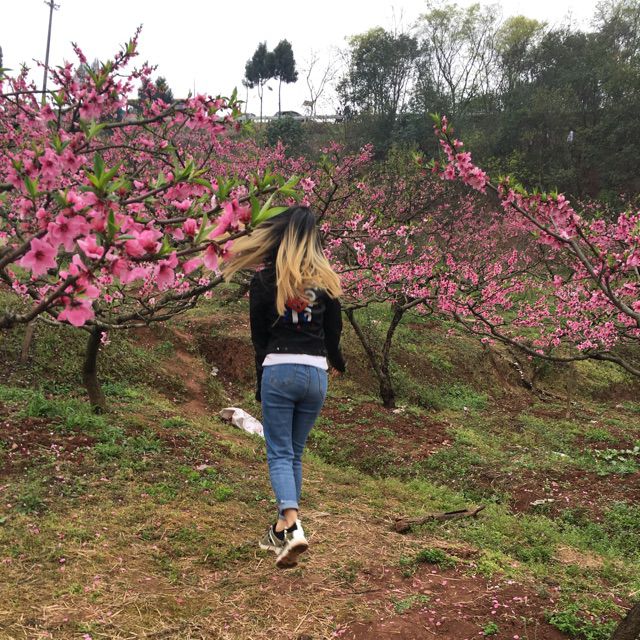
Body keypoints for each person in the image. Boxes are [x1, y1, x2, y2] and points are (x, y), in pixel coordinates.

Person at [222, 206, 346, 568]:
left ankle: (293, 526)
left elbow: (259, 340)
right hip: (316, 374)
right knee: (293, 453)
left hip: (279, 369)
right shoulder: (326, 282)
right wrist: (337, 364)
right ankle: (278, 531)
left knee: (278, 453)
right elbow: (334, 334)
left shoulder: (264, 281)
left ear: (279, 237)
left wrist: (261, 383)